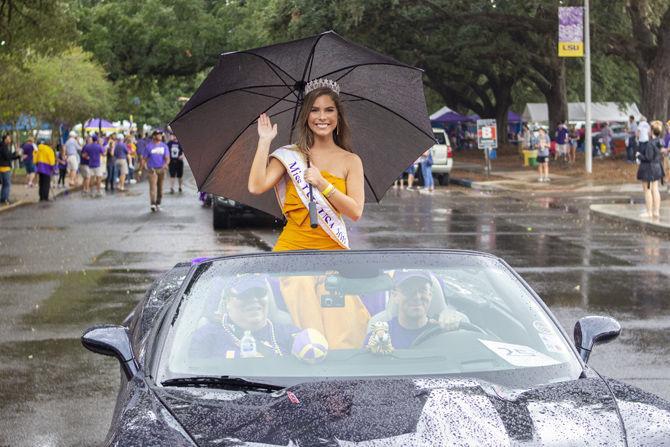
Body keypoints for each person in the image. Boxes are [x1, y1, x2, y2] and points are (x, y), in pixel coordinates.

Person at [248, 79, 364, 251]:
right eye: (314, 110)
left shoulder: (351, 160)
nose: (322, 117)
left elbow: (355, 212)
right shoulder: (291, 155)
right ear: (306, 116)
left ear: (338, 116)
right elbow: (256, 187)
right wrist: (264, 141)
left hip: (334, 251)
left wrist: (322, 184)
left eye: (329, 110)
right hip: (292, 250)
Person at [189, 275, 299, 359]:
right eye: (244, 294)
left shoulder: (289, 334)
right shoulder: (207, 337)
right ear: (227, 302)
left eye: (260, 292)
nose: (254, 299)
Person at [364, 271, 467, 350]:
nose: (417, 296)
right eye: (408, 290)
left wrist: (456, 329)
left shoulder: (445, 331)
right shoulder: (380, 334)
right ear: (395, 296)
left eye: (422, 290)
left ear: (430, 295)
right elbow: (366, 370)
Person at [636, 121, 664, 220]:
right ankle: (656, 211)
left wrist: (639, 155)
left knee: (647, 190)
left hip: (649, 170)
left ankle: (649, 212)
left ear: (652, 131)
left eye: (649, 129)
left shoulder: (650, 144)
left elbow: (648, 158)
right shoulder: (660, 142)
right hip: (657, 168)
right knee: (655, 189)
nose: (647, 130)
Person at [143, 130, 169, 211]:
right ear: (154, 136)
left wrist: (165, 165)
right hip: (152, 170)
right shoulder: (149, 146)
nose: (160, 136)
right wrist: (145, 167)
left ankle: (158, 203)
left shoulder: (164, 146)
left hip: (161, 169)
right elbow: (144, 159)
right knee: (153, 187)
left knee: (160, 189)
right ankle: (153, 204)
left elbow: (167, 158)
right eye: (158, 134)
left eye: (161, 134)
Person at [0, 134, 20, 205]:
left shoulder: (3, 146)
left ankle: (2, 199)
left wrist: (15, 153)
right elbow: (8, 157)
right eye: (9, 138)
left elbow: (8, 155)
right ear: (5, 139)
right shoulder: (4, 147)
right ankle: (5, 199)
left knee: (4, 184)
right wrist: (17, 156)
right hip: (5, 168)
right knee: (7, 184)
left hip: (3, 167)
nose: (10, 140)